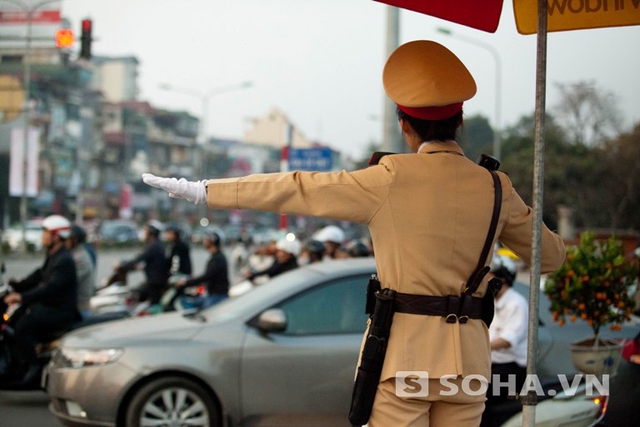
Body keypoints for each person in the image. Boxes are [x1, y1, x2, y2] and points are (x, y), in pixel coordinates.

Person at [142, 39, 566, 426]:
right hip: (469, 366)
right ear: (459, 120)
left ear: (404, 123)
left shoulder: (389, 177)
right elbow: (550, 258)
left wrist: (203, 191)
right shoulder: (496, 186)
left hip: (405, 362)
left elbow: (298, 187)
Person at [1, 215, 79, 379]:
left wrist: (20, 297)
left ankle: (34, 367)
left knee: (22, 326)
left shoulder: (64, 260)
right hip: (50, 307)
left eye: (45, 233)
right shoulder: (54, 255)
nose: (42, 237)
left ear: (56, 236)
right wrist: (16, 285)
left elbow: (51, 288)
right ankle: (16, 364)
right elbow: (39, 275)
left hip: (59, 311)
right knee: (14, 319)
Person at [481, 254, 528, 427]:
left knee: (479, 392)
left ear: (502, 278)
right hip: (492, 366)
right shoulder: (490, 303)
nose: (485, 279)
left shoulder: (516, 303)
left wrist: (479, 347)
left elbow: (508, 340)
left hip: (512, 370)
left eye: (489, 275)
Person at [119, 221, 169, 305]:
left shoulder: (153, 246)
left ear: (150, 234)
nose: (143, 234)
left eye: (145, 231)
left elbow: (139, 259)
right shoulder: (157, 245)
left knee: (136, 295)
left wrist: (122, 265)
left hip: (155, 281)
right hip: (156, 279)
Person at [175, 231, 229, 308]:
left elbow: (206, 276)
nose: (204, 242)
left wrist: (186, 282)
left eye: (206, 240)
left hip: (217, 297)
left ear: (212, 241)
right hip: (213, 295)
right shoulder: (216, 257)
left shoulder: (217, 259)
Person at [67, 224, 97, 319]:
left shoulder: (80, 257)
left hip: (80, 307)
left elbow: (67, 281)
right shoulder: (74, 254)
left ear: (75, 239)